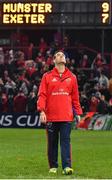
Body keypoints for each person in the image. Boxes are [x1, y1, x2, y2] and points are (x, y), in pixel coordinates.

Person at [37, 51, 82, 175]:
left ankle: (67, 166)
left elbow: (75, 97)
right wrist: (41, 111)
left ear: (66, 60)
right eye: (58, 55)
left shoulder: (72, 77)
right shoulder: (47, 76)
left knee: (65, 141)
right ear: (53, 60)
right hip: (51, 115)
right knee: (52, 142)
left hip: (66, 115)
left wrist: (78, 112)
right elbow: (42, 95)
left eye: (63, 55)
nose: (61, 56)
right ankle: (53, 166)